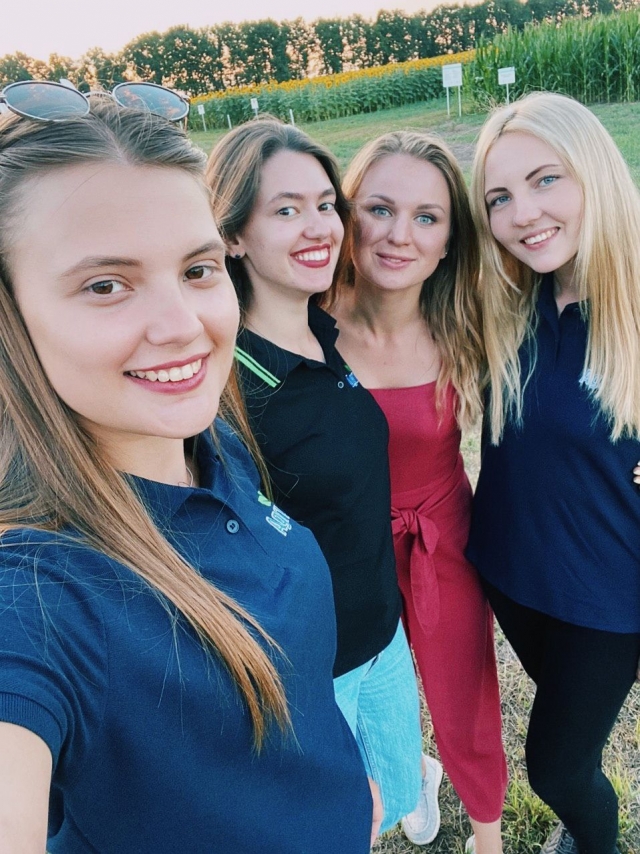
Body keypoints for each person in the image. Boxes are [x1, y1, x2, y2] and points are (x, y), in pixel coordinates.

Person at [0, 85, 375, 853]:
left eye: (198, 270)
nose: (184, 327)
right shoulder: (36, 591)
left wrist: (334, 779)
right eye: (106, 285)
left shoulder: (211, 442)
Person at [206, 117, 423, 835]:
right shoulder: (229, 388)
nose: (318, 226)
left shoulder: (326, 330)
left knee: (397, 798)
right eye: (286, 209)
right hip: (312, 677)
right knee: (341, 831)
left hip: (384, 637)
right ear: (234, 236)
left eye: (326, 204)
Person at [468, 91, 640, 854]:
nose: (523, 214)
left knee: (558, 767)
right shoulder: (509, 297)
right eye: (500, 197)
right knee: (569, 733)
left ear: (592, 171)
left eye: (545, 180)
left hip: (607, 600)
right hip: (511, 571)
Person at [328, 131, 507, 854]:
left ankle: (489, 839)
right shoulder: (301, 322)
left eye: (426, 217)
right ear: (346, 215)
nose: (400, 235)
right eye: (379, 208)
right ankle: (408, 777)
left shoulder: (470, 323)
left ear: (449, 240)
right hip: (340, 548)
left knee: (464, 701)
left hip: (440, 539)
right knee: (346, 712)